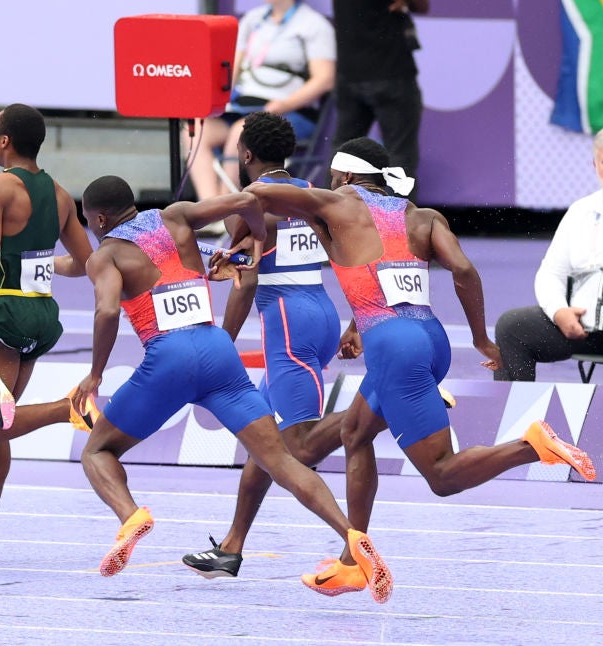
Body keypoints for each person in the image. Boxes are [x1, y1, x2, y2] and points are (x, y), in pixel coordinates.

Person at [242, 137, 597, 598]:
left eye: (333, 177)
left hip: (394, 349)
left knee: (442, 477)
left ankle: (530, 447)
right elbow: (463, 271)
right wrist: (481, 338)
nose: (329, 183)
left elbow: (261, 193)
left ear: (346, 177)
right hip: (431, 339)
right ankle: (353, 560)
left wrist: (235, 240)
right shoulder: (421, 216)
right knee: (355, 434)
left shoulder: (336, 202)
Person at [72, 174, 393, 604]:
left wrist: (95, 374)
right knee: (278, 457)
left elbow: (108, 309)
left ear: (98, 218)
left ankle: (130, 516)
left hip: (168, 359)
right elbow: (246, 199)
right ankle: (352, 537)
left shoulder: (105, 255)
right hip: (217, 350)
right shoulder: (177, 215)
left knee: (98, 450)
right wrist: (256, 238)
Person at [181, 111, 345, 578]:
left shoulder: (251, 201)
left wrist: (221, 342)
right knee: (264, 444)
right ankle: (231, 547)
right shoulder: (311, 195)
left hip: (288, 325)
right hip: (323, 312)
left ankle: (354, 541)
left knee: (298, 446)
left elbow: (246, 282)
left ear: (245, 154)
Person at [0, 103, 96, 564]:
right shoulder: (59, 195)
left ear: (5, 140)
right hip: (39, 315)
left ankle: (63, 408)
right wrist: (41, 264)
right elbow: (86, 263)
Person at [494, 123, 603, 386]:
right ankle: (518, 421)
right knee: (512, 328)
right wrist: (559, 311)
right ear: (595, 167)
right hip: (585, 326)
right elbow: (551, 273)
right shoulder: (580, 210)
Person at [184, 0, 335, 205]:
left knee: (243, 132)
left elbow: (324, 80)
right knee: (195, 130)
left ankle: (226, 207)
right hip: (243, 107)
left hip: (290, 111)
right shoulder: (252, 20)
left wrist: (284, 104)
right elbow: (230, 73)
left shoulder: (314, 25)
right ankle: (208, 204)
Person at [330, 0, 427, 195]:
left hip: (350, 73)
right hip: (391, 74)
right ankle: (397, 222)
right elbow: (421, 6)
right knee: (400, 155)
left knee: (342, 153)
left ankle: (333, 220)